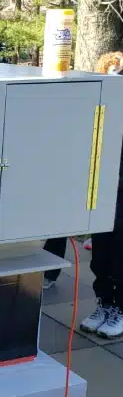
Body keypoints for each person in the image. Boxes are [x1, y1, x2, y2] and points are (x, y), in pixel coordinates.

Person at [79, 51, 123, 338]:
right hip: (105, 188)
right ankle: (105, 303)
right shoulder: (109, 97)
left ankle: (120, 308)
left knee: (120, 252)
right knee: (101, 254)